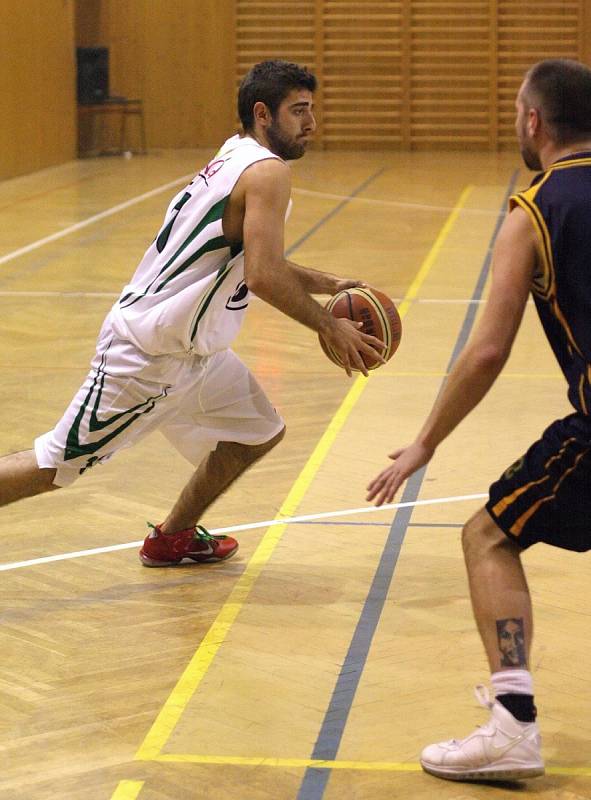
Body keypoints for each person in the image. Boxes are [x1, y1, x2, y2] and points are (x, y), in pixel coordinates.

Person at [0, 60, 384, 567]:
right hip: (146, 357)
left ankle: (172, 537)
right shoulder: (268, 173)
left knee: (258, 430)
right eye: (299, 110)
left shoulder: (235, 155)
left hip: (194, 354)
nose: (311, 122)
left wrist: (326, 283)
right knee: (53, 467)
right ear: (264, 114)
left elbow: (248, 255)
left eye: (312, 108)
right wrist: (328, 324)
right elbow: (262, 275)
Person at [367, 58, 591, 782]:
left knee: (487, 536)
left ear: (533, 122)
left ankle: (512, 725)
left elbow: (487, 350)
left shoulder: (534, 211)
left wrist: (424, 441)